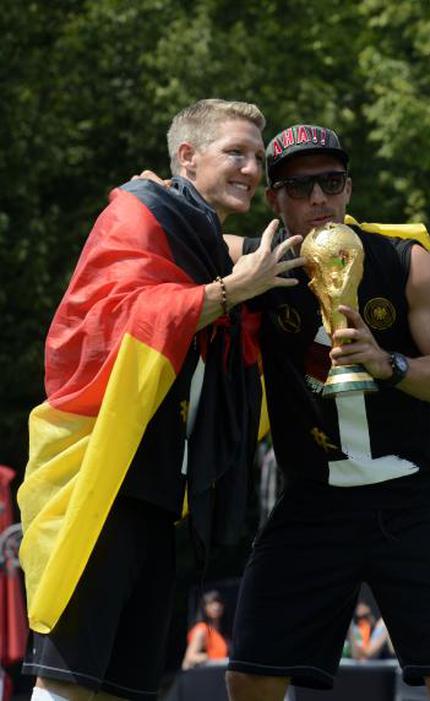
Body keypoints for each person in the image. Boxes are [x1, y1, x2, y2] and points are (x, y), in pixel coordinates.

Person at [18, 99, 303, 701]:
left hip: (158, 494)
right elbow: (108, 325)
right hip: (100, 477)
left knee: (123, 687)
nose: (253, 168)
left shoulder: (199, 235)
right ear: (186, 156)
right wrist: (231, 291)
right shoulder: (139, 214)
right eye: (236, 152)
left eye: (257, 156)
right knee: (66, 682)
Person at [223, 124, 430, 701]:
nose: (317, 198)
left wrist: (389, 363)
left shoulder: (405, 264)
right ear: (274, 200)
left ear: (349, 189)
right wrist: (164, 188)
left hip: (413, 497)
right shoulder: (256, 266)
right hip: (314, 498)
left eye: (331, 182)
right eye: (298, 187)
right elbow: (174, 236)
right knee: (250, 671)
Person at [183, 590, 230, 670]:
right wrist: (211, 657)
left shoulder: (222, 631)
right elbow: (190, 658)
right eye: (211, 603)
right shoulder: (201, 629)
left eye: (219, 603)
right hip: (205, 676)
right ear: (204, 608)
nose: (216, 606)